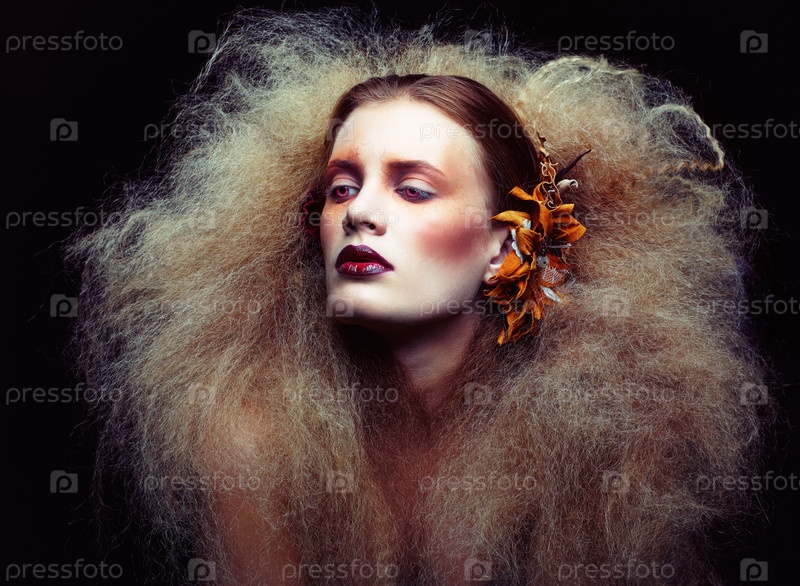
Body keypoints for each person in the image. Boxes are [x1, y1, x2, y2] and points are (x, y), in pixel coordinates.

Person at [67, 8, 769, 585]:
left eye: (412, 188)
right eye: (342, 187)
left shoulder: (603, 433)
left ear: (506, 246)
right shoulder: (253, 434)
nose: (359, 213)